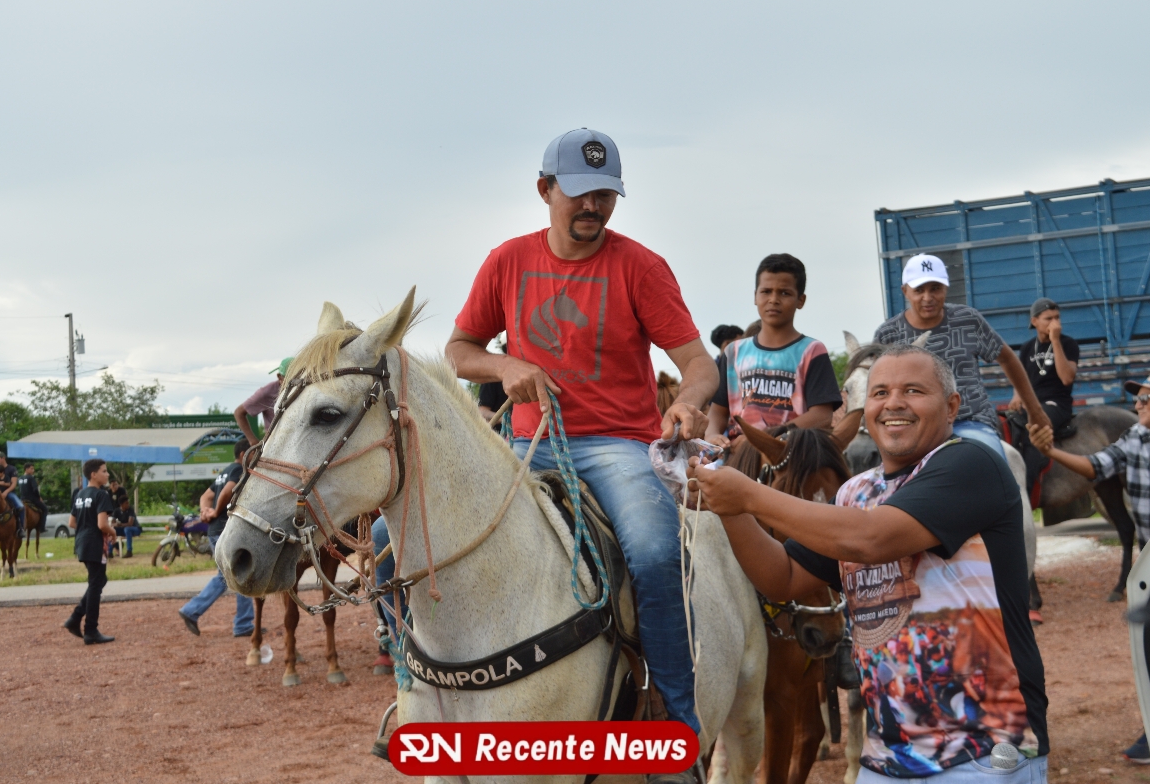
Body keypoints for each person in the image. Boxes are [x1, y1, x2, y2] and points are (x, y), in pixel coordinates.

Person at [444, 127, 718, 765]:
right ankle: (418, 687)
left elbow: (699, 364)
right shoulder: (507, 260)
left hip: (616, 444)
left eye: (605, 194)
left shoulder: (640, 266)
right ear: (545, 190)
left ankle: (676, 729)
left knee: (655, 552)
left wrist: (686, 401)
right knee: (394, 540)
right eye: (579, 192)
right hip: (527, 441)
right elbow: (459, 352)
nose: (592, 205)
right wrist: (505, 367)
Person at [688, 344, 1049, 780]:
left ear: (952, 406)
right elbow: (782, 576)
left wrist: (749, 494)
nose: (893, 403)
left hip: (984, 751)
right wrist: (727, 506)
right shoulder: (854, 492)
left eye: (913, 390)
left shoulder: (973, 464)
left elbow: (871, 538)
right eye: (880, 393)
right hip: (886, 757)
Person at [1030, 368, 1150, 765]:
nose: (1137, 403)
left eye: (1146, 397)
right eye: (1137, 397)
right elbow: (1096, 466)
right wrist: (1051, 453)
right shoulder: (1134, 437)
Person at [874, 253, 1050, 459]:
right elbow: (876, 389)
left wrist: (1035, 411)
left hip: (971, 421)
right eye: (919, 290)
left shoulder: (968, 320)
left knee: (988, 461)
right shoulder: (888, 335)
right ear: (905, 291)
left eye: (935, 288)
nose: (928, 297)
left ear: (946, 288)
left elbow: (1007, 358)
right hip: (912, 427)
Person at [706, 253, 842, 443]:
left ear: (801, 300)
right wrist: (712, 435)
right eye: (766, 291)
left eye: (784, 293)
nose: (774, 299)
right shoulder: (733, 353)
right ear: (755, 296)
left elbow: (822, 416)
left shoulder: (812, 351)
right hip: (738, 451)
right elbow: (717, 412)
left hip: (792, 451)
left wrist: (765, 438)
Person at [178, 440, 255, 638]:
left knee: (233, 574)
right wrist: (215, 511)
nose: (258, 456)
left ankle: (242, 622)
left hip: (215, 530)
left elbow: (206, 495)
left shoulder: (226, 470)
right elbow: (228, 491)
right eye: (255, 452)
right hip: (225, 529)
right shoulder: (239, 470)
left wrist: (205, 510)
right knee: (235, 575)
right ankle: (240, 623)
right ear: (244, 454)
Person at [64, 459, 116, 645]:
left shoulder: (80, 494)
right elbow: (102, 524)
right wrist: (113, 532)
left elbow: (71, 522)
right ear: (93, 475)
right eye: (104, 471)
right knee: (96, 584)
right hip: (95, 543)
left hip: (81, 542)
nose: (107, 474)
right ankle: (90, 630)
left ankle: (75, 618)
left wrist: (86, 528)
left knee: (99, 580)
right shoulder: (101, 494)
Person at [1009, 298, 1080, 432]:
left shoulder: (1068, 344)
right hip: (1032, 405)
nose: (1055, 323)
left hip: (1056, 404)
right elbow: (1020, 378)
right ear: (1034, 321)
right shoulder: (1027, 347)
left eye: (1057, 318)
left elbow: (1067, 378)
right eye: (1048, 319)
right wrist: (1017, 395)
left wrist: (1055, 340)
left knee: (1037, 426)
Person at [234, 358, 291, 447]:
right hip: (276, 444)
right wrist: (252, 441)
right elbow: (238, 412)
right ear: (280, 377)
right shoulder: (267, 392)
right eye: (290, 378)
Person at [0, 451, 26, 539]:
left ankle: (21, 528)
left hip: (9, 493)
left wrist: (6, 492)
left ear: (3, 458)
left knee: (21, 507)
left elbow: (13, 484)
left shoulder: (12, 469)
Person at [18, 463, 48, 534]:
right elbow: (35, 489)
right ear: (26, 469)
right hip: (31, 499)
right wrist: (38, 497)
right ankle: (42, 527)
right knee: (45, 509)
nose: (33, 470)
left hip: (22, 499)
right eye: (31, 469)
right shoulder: (31, 478)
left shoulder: (20, 478)